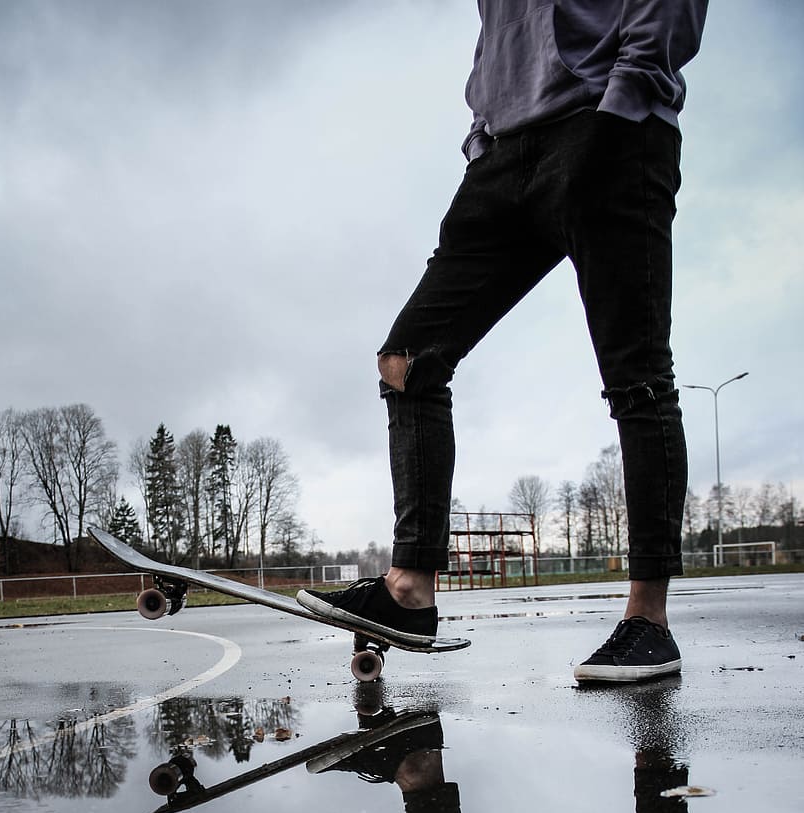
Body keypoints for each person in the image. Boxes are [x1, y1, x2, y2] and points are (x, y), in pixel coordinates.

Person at [300, 0, 709, 683]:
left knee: (636, 374)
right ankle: (409, 590)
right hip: (503, 153)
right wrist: (480, 140)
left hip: (612, 124)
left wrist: (623, 104)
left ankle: (648, 620)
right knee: (409, 360)